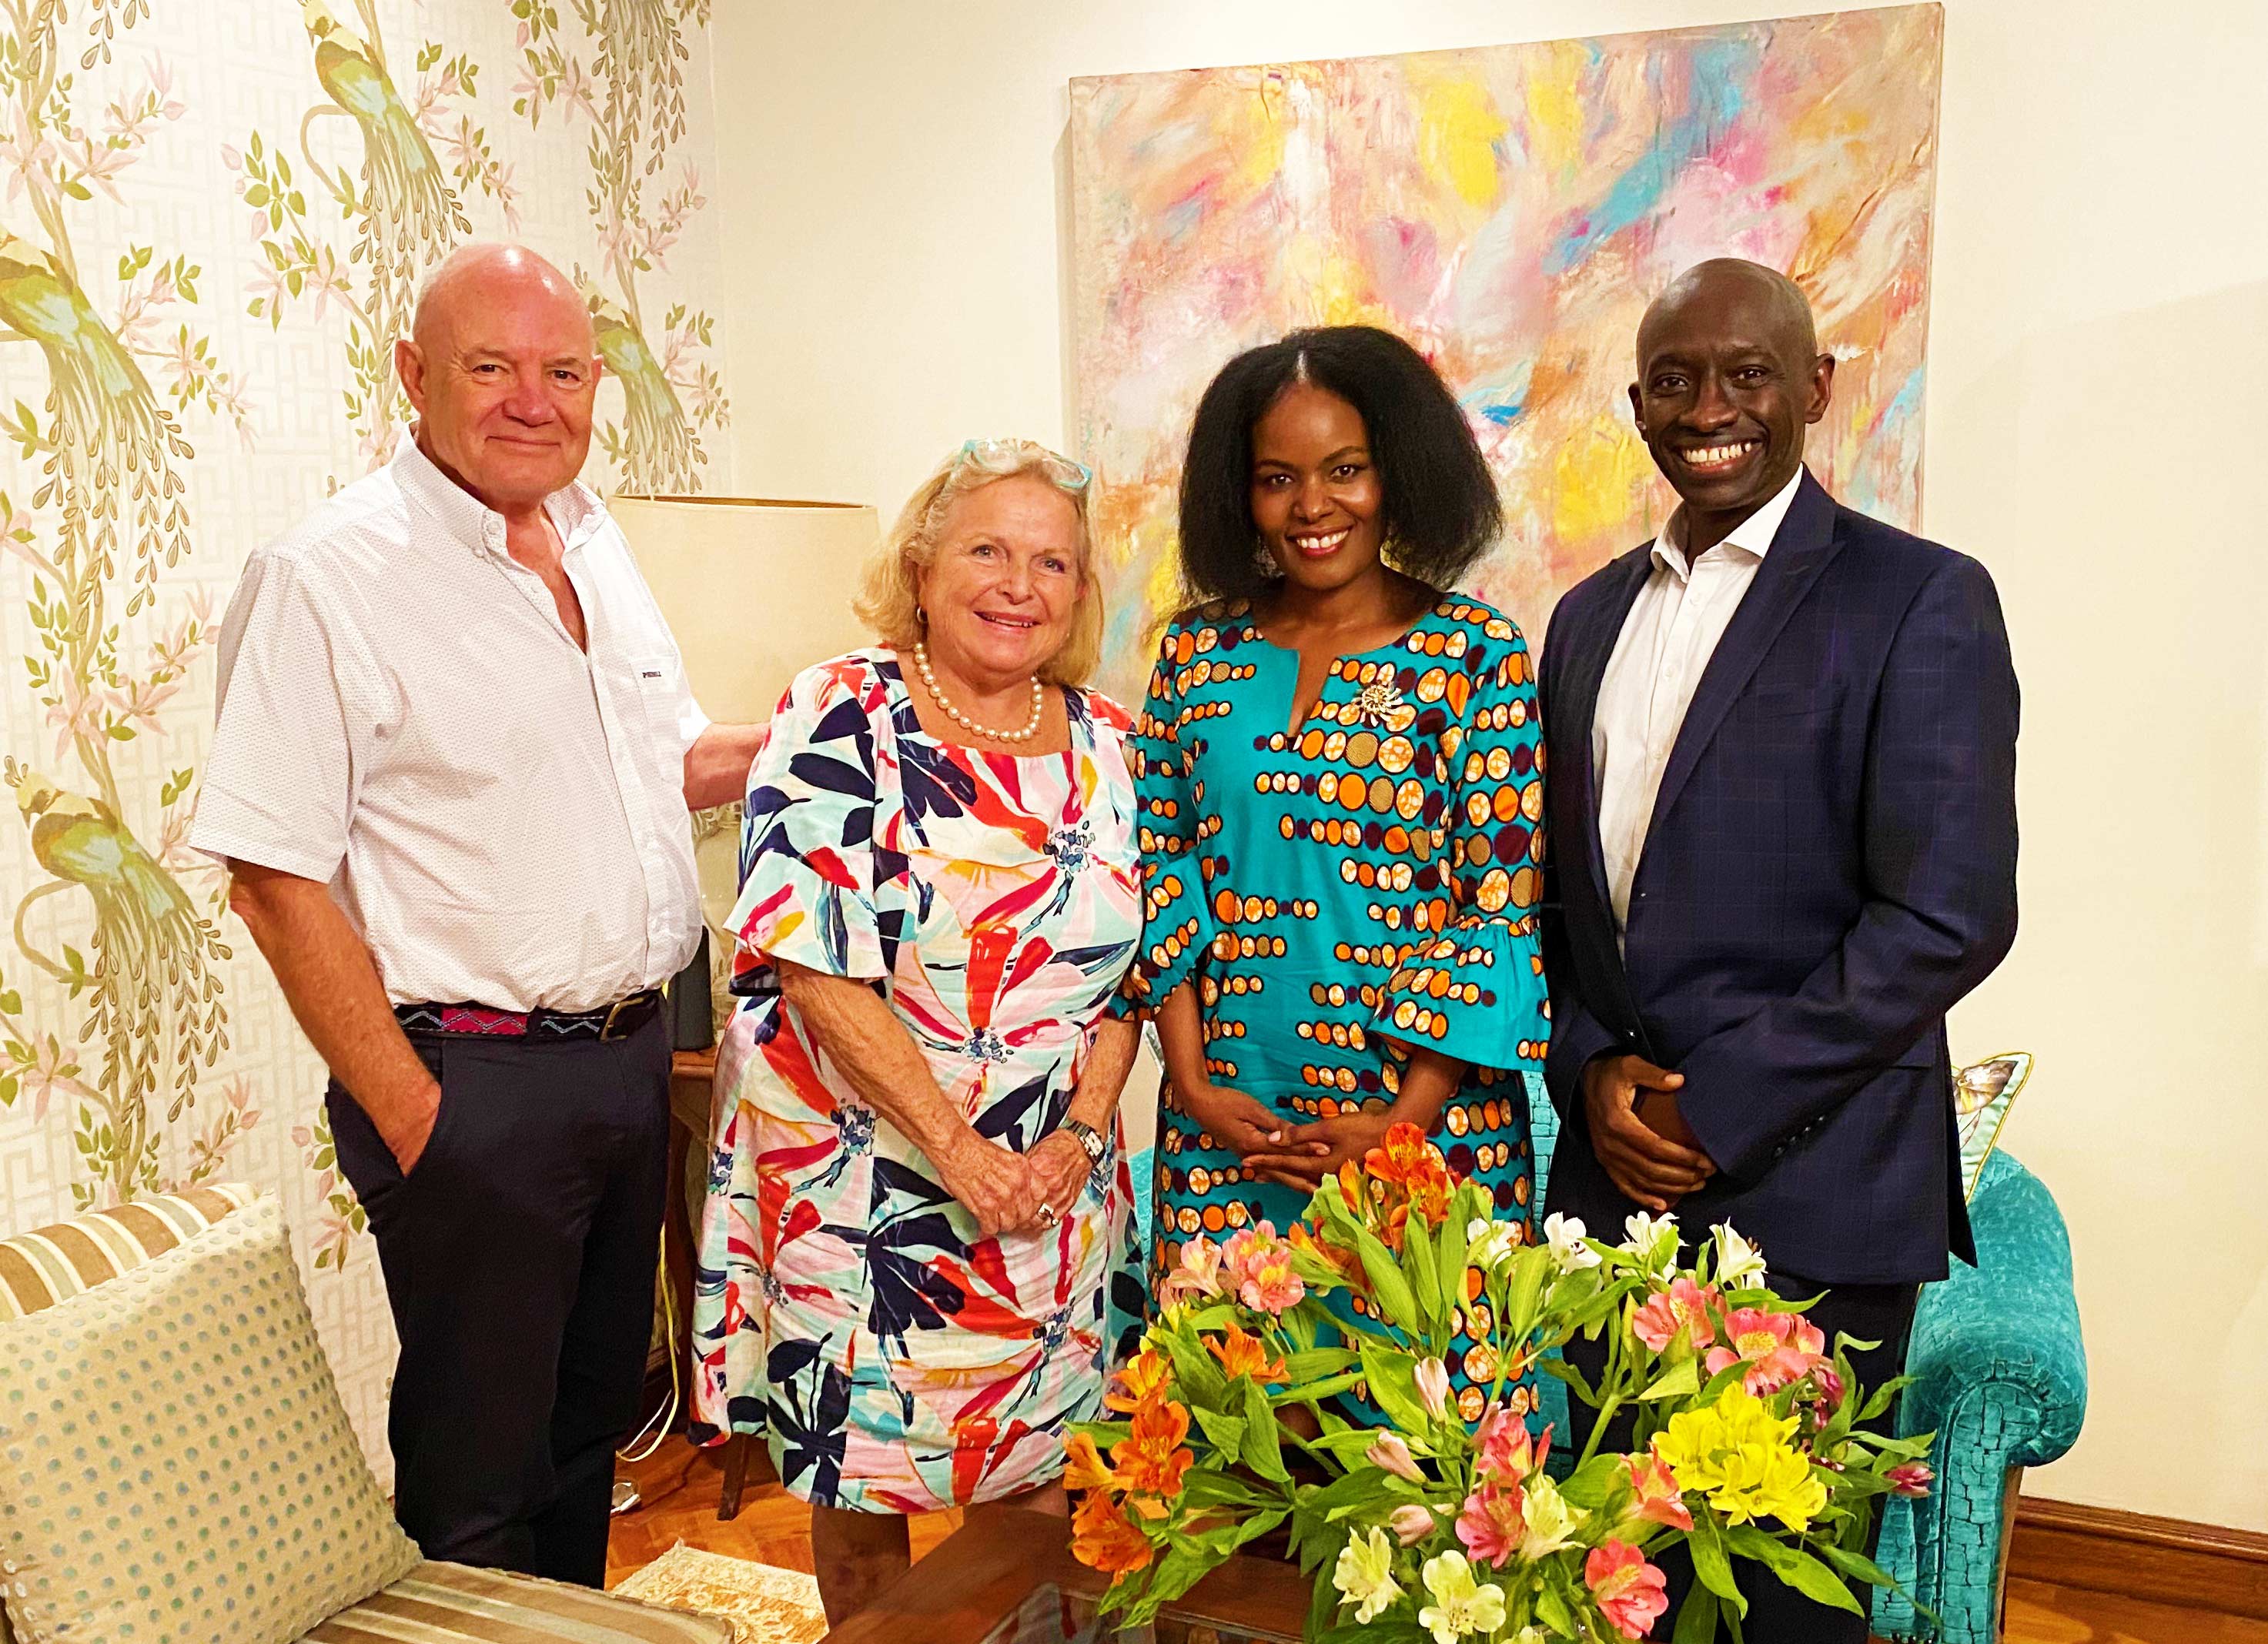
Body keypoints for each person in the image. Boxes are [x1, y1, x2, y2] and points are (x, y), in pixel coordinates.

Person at [193, 243, 767, 1586]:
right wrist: (416, 1116)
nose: (531, 400)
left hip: (628, 1070)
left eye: (561, 370)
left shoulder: (595, 537)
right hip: (474, 1087)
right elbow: (275, 876)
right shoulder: (326, 576)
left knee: (588, 1443)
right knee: (476, 1481)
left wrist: (843, 712)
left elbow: (663, 759)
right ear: (412, 376)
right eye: (489, 367)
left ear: (594, 383)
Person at [1538, 259, 2019, 1639]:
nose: (1710, 409)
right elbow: (1560, 909)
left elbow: (1948, 914)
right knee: (1617, 1579)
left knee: (1777, 1604)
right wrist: (1592, 1077)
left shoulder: (1919, 599)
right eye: (1675, 381)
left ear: (1813, 388)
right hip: (1613, 1189)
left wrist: (1717, 1100)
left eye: (1746, 375)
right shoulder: (1582, 621)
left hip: (1812, 1192)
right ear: (1636, 405)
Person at [687, 438, 1145, 1622]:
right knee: (862, 1496)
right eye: (987, 548)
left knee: (1039, 1497)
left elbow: (1131, 985)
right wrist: (960, 1154)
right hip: (862, 1184)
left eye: (1052, 561)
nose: (1017, 583)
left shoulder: (1112, 746)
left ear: (1080, 592)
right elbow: (811, 966)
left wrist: (1079, 1143)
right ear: (924, 565)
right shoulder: (840, 710)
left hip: (1051, 1195)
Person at [1125, 325, 1550, 1427]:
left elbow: (1494, 900)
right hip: (1229, 1131)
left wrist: (1403, 1123)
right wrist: (1191, 1084)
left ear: (1395, 471)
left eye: (1343, 470)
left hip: (1424, 1142)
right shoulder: (1192, 655)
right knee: (1233, 1461)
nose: (1312, 506)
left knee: (1426, 1489)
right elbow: (1161, 867)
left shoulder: (1474, 652)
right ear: (1241, 495)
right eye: (1277, 479)